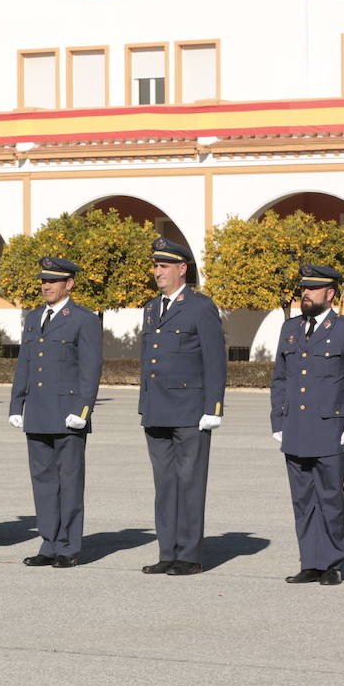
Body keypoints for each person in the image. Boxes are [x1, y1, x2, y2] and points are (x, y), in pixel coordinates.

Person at [270, 265, 344, 586]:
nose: (306, 293)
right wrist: (278, 420)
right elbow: (280, 379)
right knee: (302, 498)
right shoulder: (290, 329)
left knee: (329, 496)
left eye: (312, 289)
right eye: (304, 288)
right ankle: (310, 561)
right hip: (296, 427)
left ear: (329, 294)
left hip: (331, 428)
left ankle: (331, 562)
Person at [136, 238, 226, 576]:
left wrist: (213, 407)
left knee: (189, 483)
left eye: (164, 267)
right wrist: (145, 404)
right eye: (156, 266)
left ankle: (188, 555)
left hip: (190, 410)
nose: (157, 272)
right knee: (165, 485)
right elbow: (149, 361)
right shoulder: (150, 308)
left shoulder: (200, 307)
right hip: (158, 409)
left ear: (181, 269)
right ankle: (167, 552)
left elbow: (215, 360)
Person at [8, 256, 102, 568]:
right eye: (43, 281)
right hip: (37, 411)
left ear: (69, 284)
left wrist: (83, 410)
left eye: (53, 281)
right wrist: (16, 404)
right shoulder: (34, 318)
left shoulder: (83, 319)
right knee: (44, 482)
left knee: (70, 482)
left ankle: (69, 546)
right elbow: (25, 363)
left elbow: (90, 370)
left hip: (67, 414)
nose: (46, 285)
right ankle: (49, 542)